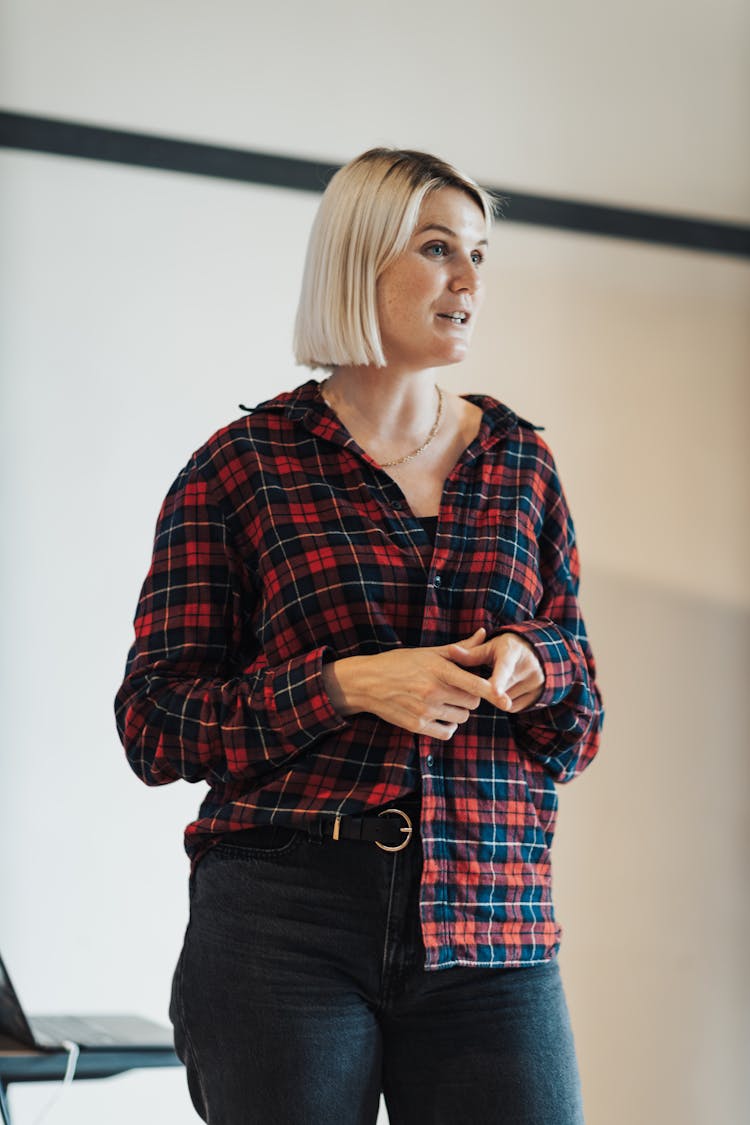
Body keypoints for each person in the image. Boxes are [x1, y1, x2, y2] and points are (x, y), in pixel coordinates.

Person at [115, 147, 604, 1125]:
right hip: (282, 929)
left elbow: (580, 718)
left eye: (478, 253)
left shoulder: (521, 464)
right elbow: (155, 723)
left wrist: (533, 665)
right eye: (436, 249)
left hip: (493, 926)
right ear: (357, 262)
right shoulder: (240, 468)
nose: (468, 281)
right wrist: (344, 684)